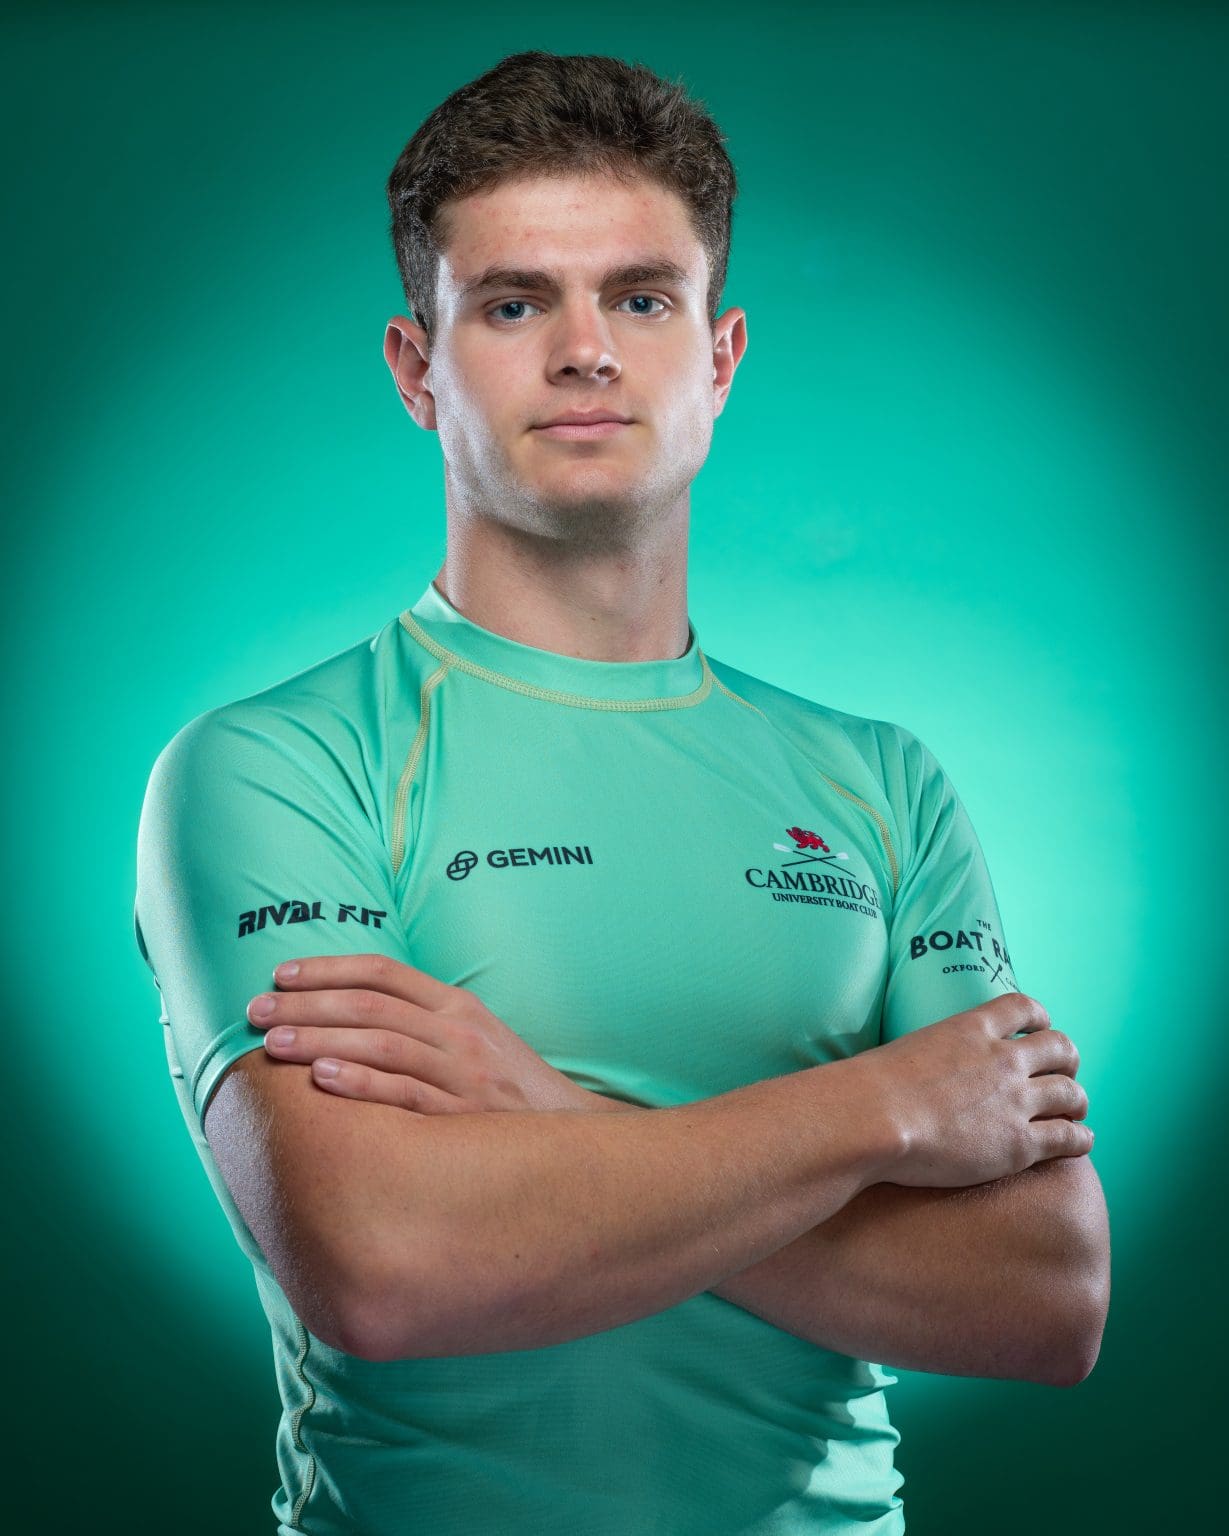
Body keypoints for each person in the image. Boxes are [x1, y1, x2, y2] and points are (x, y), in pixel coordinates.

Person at [134, 49, 1109, 1536]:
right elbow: (386, 1270)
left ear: (720, 356)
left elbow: (1044, 1301)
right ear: (417, 368)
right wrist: (883, 1112)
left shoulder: (881, 782)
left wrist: (538, 1110)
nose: (585, 352)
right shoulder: (278, 764)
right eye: (514, 304)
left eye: (642, 300)